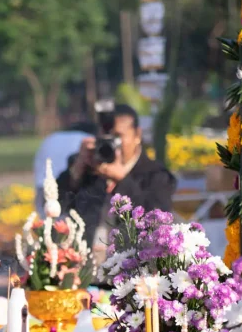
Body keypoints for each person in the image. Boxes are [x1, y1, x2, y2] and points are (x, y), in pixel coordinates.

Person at [56, 104, 176, 260]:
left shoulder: (155, 175)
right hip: (85, 264)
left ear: (137, 135)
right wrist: (77, 169)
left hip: (134, 266)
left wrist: (123, 180)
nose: (112, 143)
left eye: (118, 137)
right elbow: (56, 203)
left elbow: (157, 218)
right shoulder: (88, 166)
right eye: (106, 137)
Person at [33, 121, 97, 214]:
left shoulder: (51, 138)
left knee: (45, 219)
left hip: (44, 184)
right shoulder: (86, 139)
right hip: (68, 187)